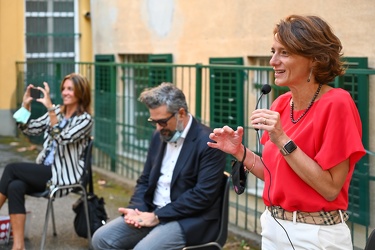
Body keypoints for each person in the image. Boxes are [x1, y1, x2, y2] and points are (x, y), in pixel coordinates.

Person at [208, 15, 365, 250]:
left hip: (317, 235)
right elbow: (274, 173)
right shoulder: (281, 103)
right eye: (273, 51)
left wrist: (282, 138)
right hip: (273, 227)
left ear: (314, 59)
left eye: (285, 53)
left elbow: (330, 188)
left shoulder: (337, 103)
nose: (273, 61)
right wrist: (240, 152)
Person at [92, 82, 227, 250]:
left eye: (162, 122)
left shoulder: (209, 142)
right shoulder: (159, 135)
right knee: (101, 238)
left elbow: (202, 195)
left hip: (188, 219)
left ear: (181, 114)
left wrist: (157, 216)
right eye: (153, 121)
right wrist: (136, 209)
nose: (157, 128)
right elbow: (145, 179)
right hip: (151, 211)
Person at [0, 73, 93, 250]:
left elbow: (63, 138)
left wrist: (50, 110)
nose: (65, 92)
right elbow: (30, 129)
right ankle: (18, 246)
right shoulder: (57, 111)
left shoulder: (85, 120)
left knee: (12, 169)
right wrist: (25, 106)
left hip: (63, 175)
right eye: (64, 88)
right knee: (15, 186)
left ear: (81, 93)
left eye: (70, 89)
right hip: (45, 171)